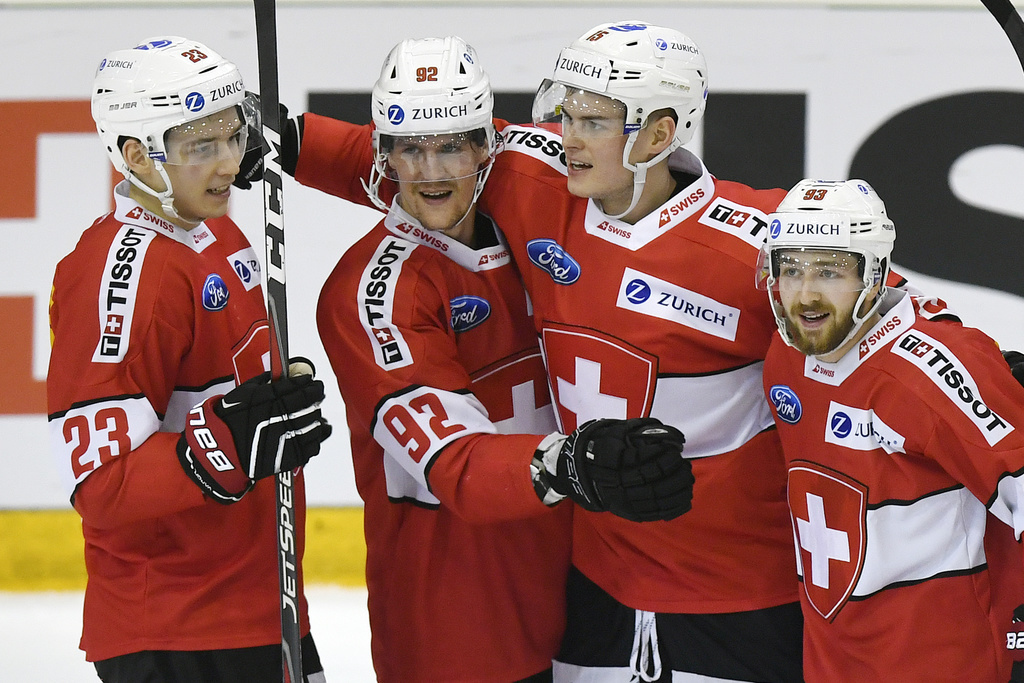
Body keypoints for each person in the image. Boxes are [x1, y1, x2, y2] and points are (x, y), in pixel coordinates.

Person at [313, 36, 693, 683]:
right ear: (384, 155)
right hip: (453, 623)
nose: (431, 170)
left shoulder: (534, 220)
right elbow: (456, 464)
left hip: (581, 595)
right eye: (410, 147)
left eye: (452, 145)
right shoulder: (371, 291)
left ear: (487, 144)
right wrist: (573, 463)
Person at [47, 36, 332, 683]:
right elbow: (100, 480)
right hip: (176, 631)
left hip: (263, 601)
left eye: (232, 136)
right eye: (200, 146)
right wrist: (225, 441)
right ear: (134, 156)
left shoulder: (214, 227)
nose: (230, 162)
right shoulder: (117, 275)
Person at [758, 177, 1024, 682]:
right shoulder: (786, 357)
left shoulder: (930, 370)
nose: (806, 292)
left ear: (875, 275)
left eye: (831, 271)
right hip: (831, 666)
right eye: (790, 269)